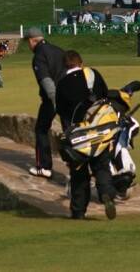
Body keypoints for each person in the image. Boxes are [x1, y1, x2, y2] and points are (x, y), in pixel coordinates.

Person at [54, 50, 116, 220]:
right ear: (80, 63)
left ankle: (78, 211)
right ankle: (106, 194)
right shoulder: (93, 74)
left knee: (79, 174)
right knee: (102, 166)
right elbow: (105, 96)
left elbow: (61, 112)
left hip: (78, 135)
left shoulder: (62, 84)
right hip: (100, 131)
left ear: (65, 66)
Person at [22, 27, 66, 179]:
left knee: (41, 129)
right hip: (70, 96)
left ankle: (44, 167)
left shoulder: (39, 55)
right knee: (71, 131)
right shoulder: (58, 50)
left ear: (31, 41)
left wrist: (55, 102)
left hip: (52, 99)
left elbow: (46, 80)